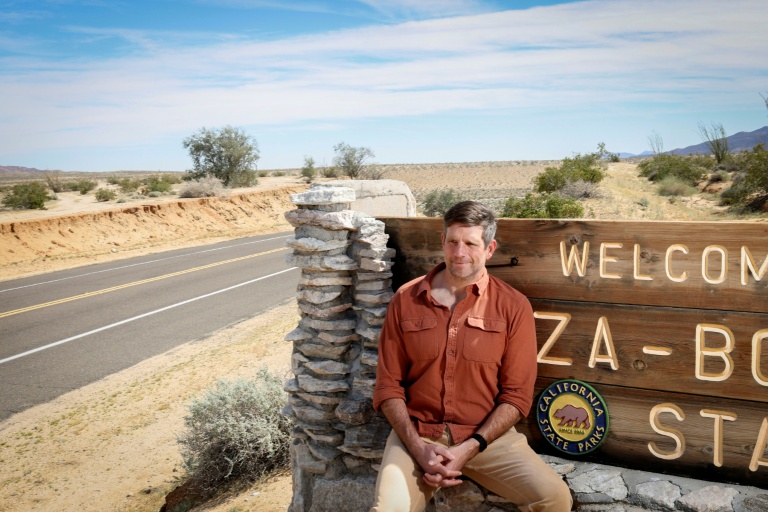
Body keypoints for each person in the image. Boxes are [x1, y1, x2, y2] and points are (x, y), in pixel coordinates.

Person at [371, 201, 572, 512]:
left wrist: (471, 446)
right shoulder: (406, 300)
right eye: (452, 241)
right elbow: (388, 387)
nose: (459, 252)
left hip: (488, 439)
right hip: (419, 436)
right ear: (443, 242)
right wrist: (418, 448)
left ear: (489, 249)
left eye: (470, 243)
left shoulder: (513, 307)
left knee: (554, 498)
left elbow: (517, 396)